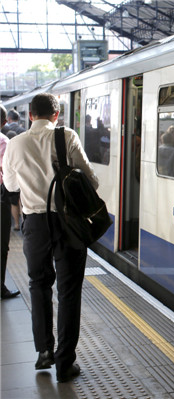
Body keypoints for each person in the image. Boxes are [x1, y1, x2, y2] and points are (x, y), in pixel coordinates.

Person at [2, 93, 99, 383]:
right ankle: (65, 363)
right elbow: (91, 180)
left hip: (35, 225)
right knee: (69, 291)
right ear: (56, 115)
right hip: (68, 223)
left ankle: (44, 351)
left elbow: (9, 185)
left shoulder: (15, 144)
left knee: (39, 284)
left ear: (30, 115)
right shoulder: (66, 136)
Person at [0, 104, 20, 299]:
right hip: (1, 196)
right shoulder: (4, 141)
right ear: (4, 122)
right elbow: (7, 173)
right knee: (1, 244)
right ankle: (0, 287)